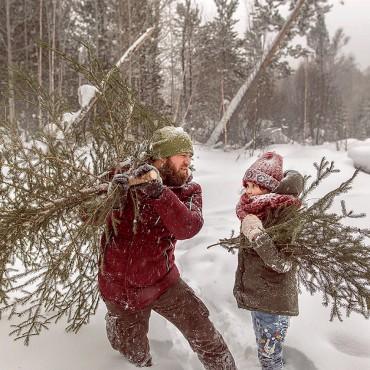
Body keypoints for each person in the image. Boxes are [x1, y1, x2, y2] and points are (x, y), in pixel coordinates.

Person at [98, 126, 237, 369]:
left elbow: (189, 227)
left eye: (190, 156)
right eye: (183, 154)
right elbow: (86, 215)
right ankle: (117, 327)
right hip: (119, 290)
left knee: (206, 336)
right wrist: (111, 196)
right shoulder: (124, 177)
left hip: (163, 283)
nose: (188, 161)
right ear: (162, 158)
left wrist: (159, 194)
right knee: (134, 356)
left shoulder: (189, 191)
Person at [233, 151, 304, 370]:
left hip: (274, 301)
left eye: (255, 186)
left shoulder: (285, 214)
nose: (249, 192)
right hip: (260, 296)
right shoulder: (257, 211)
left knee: (270, 357)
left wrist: (256, 235)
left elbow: (283, 263)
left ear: (270, 188)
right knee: (265, 350)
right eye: (247, 185)